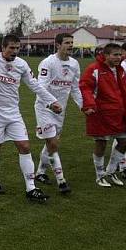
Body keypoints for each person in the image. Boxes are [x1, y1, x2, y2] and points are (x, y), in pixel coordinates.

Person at [0, 34, 62, 202]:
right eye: (11, 48)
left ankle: (31, 188)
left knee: (25, 146)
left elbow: (35, 85)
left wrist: (52, 101)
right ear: (3, 47)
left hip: (13, 112)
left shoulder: (21, 64)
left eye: (17, 48)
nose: (14, 51)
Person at [80, 44, 126, 187]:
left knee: (125, 142)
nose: (118, 57)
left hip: (120, 113)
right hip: (101, 113)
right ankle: (100, 175)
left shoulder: (121, 70)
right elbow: (85, 87)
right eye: (115, 55)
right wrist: (89, 105)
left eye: (120, 55)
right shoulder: (94, 69)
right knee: (101, 144)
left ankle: (111, 171)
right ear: (106, 55)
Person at [32, 33, 82, 195]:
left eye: (72, 42)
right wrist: (50, 103)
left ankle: (40, 172)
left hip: (61, 110)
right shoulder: (48, 63)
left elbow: (75, 88)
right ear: (58, 45)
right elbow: (41, 88)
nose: (70, 45)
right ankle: (61, 181)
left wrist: (83, 106)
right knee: (53, 143)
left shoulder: (74, 64)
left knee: (51, 143)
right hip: (45, 109)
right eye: (67, 42)